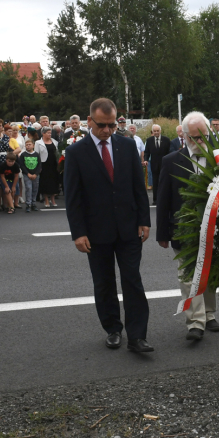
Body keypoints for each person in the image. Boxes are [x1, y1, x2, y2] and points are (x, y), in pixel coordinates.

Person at [64, 98, 152, 353]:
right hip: (95, 231)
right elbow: (73, 197)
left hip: (128, 228)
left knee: (132, 280)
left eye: (112, 125)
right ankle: (113, 328)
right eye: (102, 125)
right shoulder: (76, 152)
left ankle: (137, 335)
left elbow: (139, 187)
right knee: (103, 283)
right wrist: (78, 233)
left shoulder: (126, 146)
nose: (107, 130)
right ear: (89, 121)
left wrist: (144, 220)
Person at [156, 112, 219, 342]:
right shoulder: (171, 160)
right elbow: (162, 199)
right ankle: (196, 321)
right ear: (184, 136)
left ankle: (210, 314)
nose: (200, 142)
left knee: (211, 274)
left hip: (213, 227)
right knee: (188, 276)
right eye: (194, 138)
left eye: (203, 136)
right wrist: (162, 233)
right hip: (182, 230)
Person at [142, 124, 171, 205]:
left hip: (165, 165)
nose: (156, 132)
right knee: (155, 183)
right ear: (152, 132)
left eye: (157, 131)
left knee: (165, 182)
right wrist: (145, 160)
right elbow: (147, 152)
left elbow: (170, 152)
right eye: (155, 131)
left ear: (160, 131)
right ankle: (155, 199)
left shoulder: (166, 140)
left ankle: (165, 199)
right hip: (154, 165)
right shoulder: (149, 140)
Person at [35, 127, 61, 207]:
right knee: (45, 182)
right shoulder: (38, 142)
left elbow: (58, 153)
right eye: (48, 133)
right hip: (44, 164)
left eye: (50, 133)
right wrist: (38, 167)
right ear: (43, 133)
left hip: (54, 164)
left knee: (54, 182)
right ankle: (46, 200)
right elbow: (36, 155)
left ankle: (52, 199)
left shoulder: (55, 142)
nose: (50, 134)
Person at [19, 139, 41, 212]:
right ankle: (28, 204)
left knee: (35, 188)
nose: (28, 146)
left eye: (29, 144)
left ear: (33, 145)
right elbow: (22, 165)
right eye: (26, 145)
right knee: (28, 188)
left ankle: (33, 203)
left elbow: (39, 165)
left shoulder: (36, 154)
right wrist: (27, 173)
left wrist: (36, 174)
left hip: (35, 175)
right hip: (27, 174)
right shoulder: (23, 155)